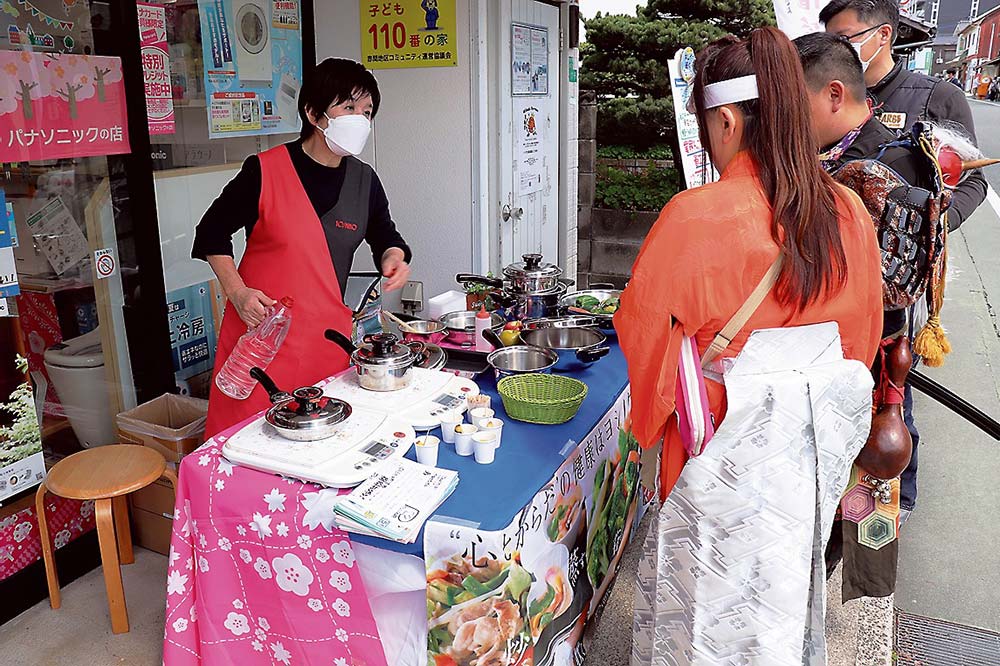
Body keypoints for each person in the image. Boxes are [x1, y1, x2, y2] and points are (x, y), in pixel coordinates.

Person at [620, 27, 883, 665]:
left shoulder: (696, 216)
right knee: (782, 618)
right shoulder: (847, 210)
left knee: (699, 627)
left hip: (717, 473)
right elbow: (861, 349)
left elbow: (645, 344)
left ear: (730, 121)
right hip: (805, 475)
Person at [820, 0, 987, 519]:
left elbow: (971, 179)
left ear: (884, 34)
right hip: (830, 271)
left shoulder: (935, 97)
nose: (839, 49)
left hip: (897, 274)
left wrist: (931, 221)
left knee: (892, 385)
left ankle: (893, 501)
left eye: (847, 36)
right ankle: (834, 489)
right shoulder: (830, 94)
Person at [794, 31, 943, 601]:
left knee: (841, 494)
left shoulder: (886, 162)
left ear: (834, 95)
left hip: (860, 359)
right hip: (843, 353)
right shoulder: (853, 151)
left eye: (793, 102)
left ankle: (822, 584)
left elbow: (884, 286)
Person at [193, 58, 412, 437]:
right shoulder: (264, 170)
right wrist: (237, 291)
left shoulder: (364, 180)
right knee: (247, 448)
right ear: (314, 113)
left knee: (318, 444)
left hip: (324, 342)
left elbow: (385, 235)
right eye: (348, 108)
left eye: (367, 111)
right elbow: (211, 233)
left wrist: (394, 256)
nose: (359, 120)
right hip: (260, 338)